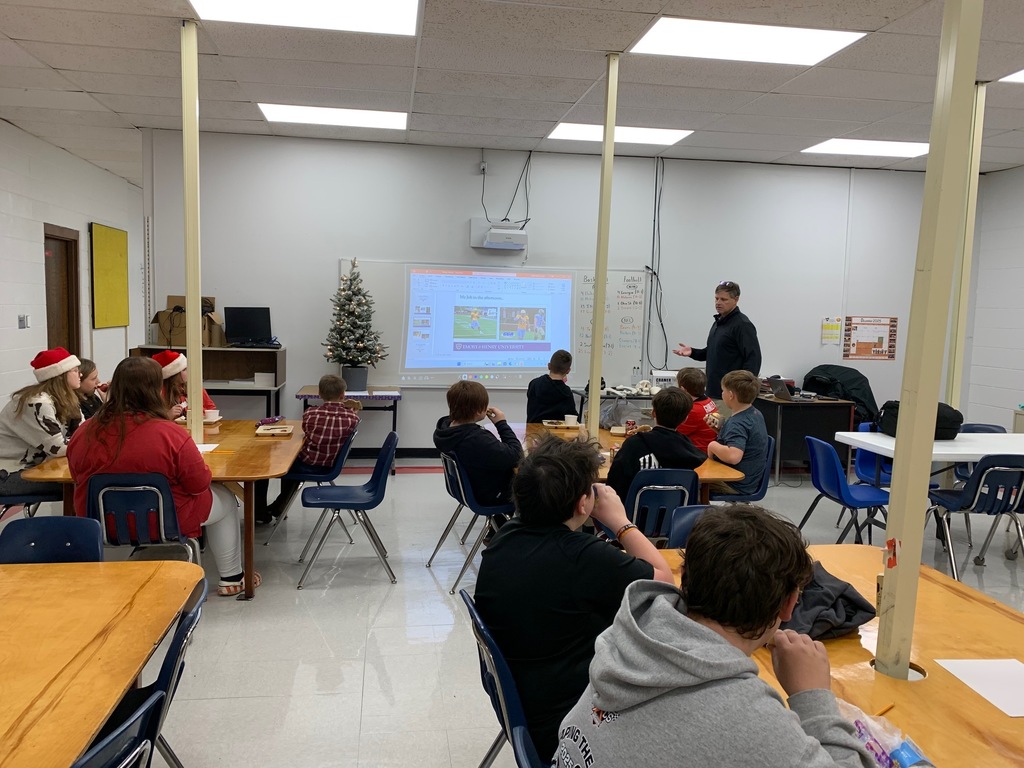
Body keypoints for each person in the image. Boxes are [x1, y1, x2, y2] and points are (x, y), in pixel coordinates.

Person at [555, 504, 873, 768]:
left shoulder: (632, 636)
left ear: (687, 576)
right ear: (790, 604)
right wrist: (813, 696)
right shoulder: (750, 721)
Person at [474, 434, 673, 763]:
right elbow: (663, 581)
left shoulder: (506, 535)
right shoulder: (581, 557)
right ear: (584, 503)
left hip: (524, 702)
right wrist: (620, 522)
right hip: (567, 723)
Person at [67, 356, 258, 596]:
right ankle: (232, 577)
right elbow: (198, 484)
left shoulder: (84, 431)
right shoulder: (169, 433)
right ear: (157, 389)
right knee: (228, 501)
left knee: (110, 515)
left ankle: (109, 575)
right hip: (166, 519)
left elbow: (76, 475)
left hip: (104, 520)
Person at [255, 374, 359, 524]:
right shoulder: (352, 418)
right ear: (343, 395)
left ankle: (260, 512)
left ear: (320, 394)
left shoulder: (310, 413)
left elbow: (306, 430)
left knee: (265, 466)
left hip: (309, 462)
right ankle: (280, 505)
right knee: (291, 461)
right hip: (331, 464)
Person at [0, 347, 82, 497]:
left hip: (37, 467)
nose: (80, 374)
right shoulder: (36, 403)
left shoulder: (67, 398)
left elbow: (83, 432)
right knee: (83, 484)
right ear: (60, 375)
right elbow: (60, 448)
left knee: (86, 480)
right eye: (75, 370)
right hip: (9, 474)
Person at [672, 280, 761, 415]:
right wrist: (692, 352)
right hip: (713, 392)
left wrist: (742, 392)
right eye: (716, 298)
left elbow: (753, 359)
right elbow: (713, 352)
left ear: (736, 299)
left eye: (724, 299)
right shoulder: (719, 323)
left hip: (731, 396)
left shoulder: (742, 325)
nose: (718, 302)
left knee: (723, 433)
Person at [605, 387, 705, 503]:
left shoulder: (634, 445)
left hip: (632, 517)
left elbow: (613, 485)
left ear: (653, 413)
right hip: (676, 518)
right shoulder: (689, 450)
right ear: (685, 419)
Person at [433, 380, 522, 504]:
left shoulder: (446, 430)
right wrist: (501, 423)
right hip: (491, 493)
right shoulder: (475, 439)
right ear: (478, 411)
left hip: (468, 489)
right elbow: (516, 455)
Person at [706, 370, 769, 496]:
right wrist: (721, 431)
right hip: (750, 479)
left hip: (736, 483)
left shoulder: (737, 423)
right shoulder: (755, 413)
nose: (722, 393)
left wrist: (712, 445)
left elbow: (733, 456)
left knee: (692, 481)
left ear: (730, 395)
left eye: (723, 390)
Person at [152, 350, 215, 419]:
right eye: (184, 369)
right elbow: (154, 421)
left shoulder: (195, 387)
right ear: (174, 374)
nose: (189, 371)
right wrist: (168, 416)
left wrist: (202, 414)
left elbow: (211, 408)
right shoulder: (161, 393)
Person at [526, 349, 577, 423]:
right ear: (568, 370)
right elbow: (572, 417)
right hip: (557, 432)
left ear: (549, 366)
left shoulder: (534, 384)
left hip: (533, 431)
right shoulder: (566, 392)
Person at [675, 367, 718, 452]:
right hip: (706, 448)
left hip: (697, 452)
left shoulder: (693, 411)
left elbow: (675, 432)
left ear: (683, 389)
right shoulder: (708, 401)